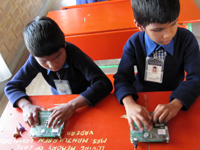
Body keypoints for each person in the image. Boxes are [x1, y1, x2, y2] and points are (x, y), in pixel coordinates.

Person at [4, 16, 112, 129]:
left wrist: (72, 105)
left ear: (64, 44)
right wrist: (26, 106)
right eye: (43, 61)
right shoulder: (35, 59)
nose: (52, 65)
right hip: (59, 99)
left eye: (57, 56)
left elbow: (103, 83)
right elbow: (11, 86)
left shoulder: (75, 55)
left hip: (85, 99)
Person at [114, 0, 200, 131]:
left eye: (174, 24)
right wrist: (129, 103)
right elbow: (122, 78)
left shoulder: (186, 39)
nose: (168, 34)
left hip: (176, 96)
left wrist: (176, 104)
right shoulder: (134, 43)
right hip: (140, 98)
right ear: (140, 25)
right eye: (158, 29)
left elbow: (196, 77)